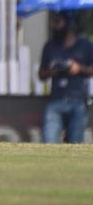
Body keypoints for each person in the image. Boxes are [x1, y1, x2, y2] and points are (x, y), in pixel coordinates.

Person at [38, 10, 93, 144]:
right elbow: (41, 74)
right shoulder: (50, 46)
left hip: (78, 100)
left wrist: (79, 68)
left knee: (75, 144)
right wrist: (54, 71)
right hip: (56, 100)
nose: (54, 26)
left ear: (68, 24)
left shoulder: (85, 46)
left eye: (58, 22)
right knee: (49, 142)